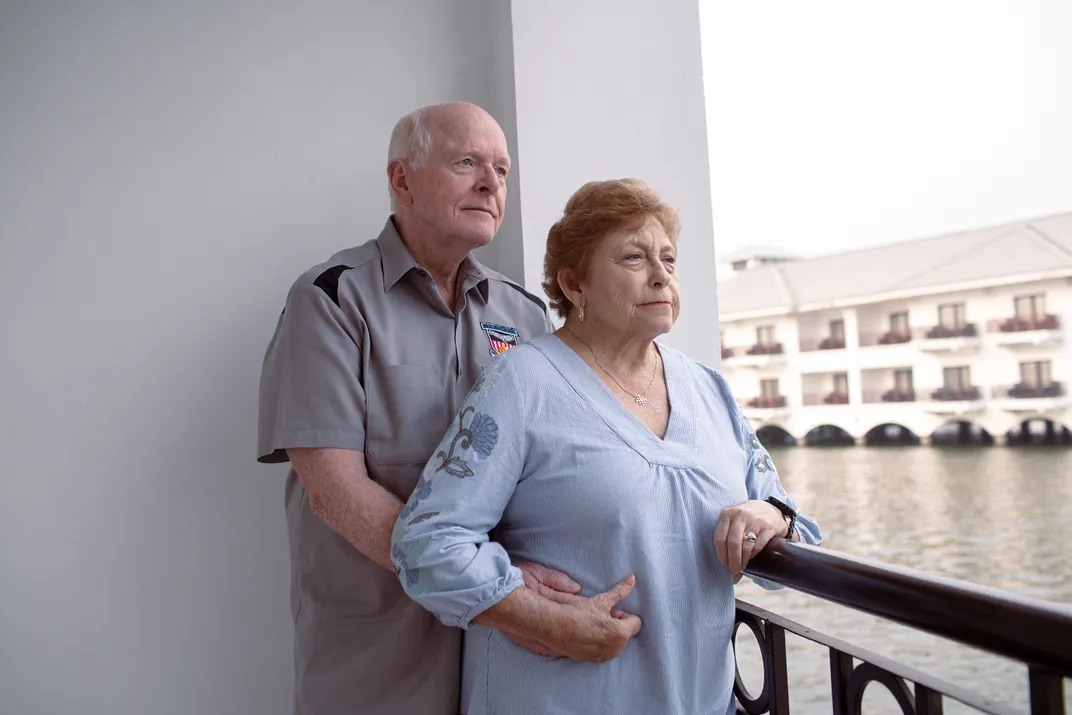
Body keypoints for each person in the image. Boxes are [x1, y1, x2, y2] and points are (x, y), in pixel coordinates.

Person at [391, 178, 823, 715]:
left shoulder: (710, 390)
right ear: (575, 285)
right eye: (634, 258)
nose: (662, 274)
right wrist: (538, 617)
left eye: (668, 257)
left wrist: (768, 515)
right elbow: (426, 544)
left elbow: (797, 529)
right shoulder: (521, 384)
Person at [257, 102, 594, 715]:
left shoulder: (524, 315)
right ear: (402, 179)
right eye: (467, 162)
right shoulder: (331, 301)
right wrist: (504, 597)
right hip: (381, 658)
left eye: (502, 169)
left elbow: (556, 473)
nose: (492, 183)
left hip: (513, 656)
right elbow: (334, 493)